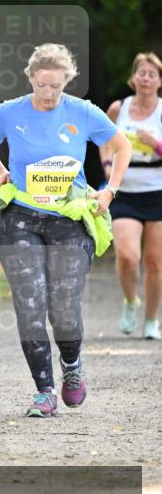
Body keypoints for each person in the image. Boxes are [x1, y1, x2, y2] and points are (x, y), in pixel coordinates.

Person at [0, 43, 131, 418]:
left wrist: (110, 189)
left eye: (56, 87)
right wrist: (0, 171)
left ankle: (71, 365)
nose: (48, 94)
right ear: (30, 79)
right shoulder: (9, 112)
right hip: (20, 217)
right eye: (41, 85)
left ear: (67, 82)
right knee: (29, 305)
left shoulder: (83, 112)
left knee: (64, 309)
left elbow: (121, 147)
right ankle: (44, 390)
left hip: (69, 219)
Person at [100, 52, 162, 340]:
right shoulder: (118, 108)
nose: (146, 79)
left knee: (154, 262)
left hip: (157, 192)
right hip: (124, 191)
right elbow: (102, 140)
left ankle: (151, 320)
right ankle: (130, 301)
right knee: (127, 256)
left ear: (159, 81)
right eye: (141, 73)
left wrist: (157, 145)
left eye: (152, 74)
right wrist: (107, 165)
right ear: (133, 78)